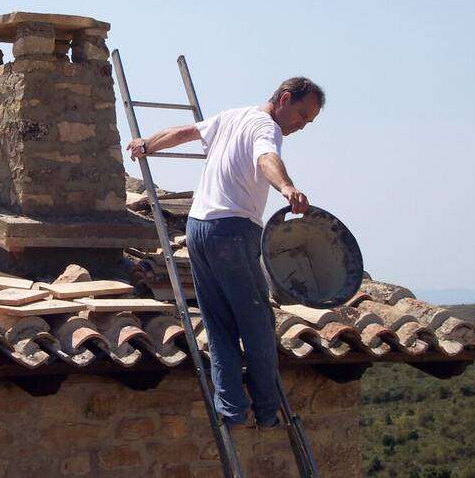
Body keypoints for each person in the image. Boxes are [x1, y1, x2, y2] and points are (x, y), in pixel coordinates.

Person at [125, 77, 325, 430]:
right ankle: (266, 410)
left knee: (218, 323)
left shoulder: (233, 116)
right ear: (284, 98)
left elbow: (185, 132)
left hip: (198, 228)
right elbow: (266, 157)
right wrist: (286, 187)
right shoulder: (267, 126)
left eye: (308, 122)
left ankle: (230, 409)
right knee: (257, 322)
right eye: (301, 115)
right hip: (233, 231)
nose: (300, 125)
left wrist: (147, 144)